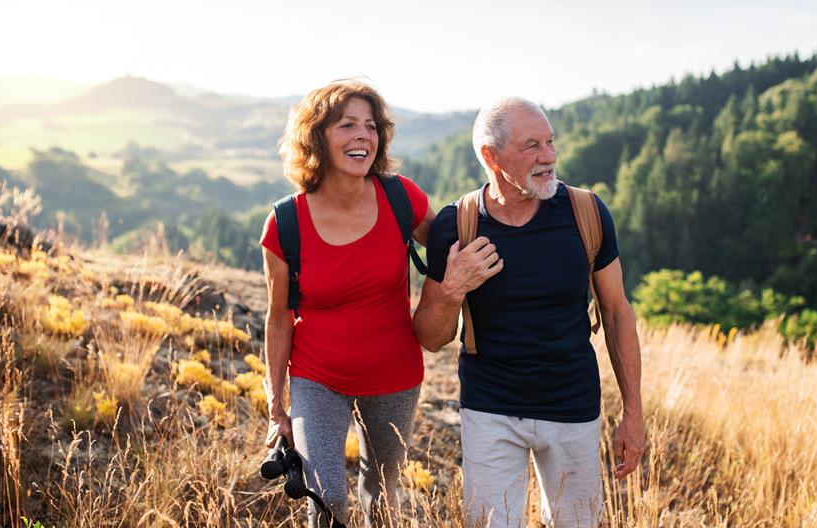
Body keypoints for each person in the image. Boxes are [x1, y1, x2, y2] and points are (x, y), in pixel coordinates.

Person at [413, 97, 645, 527]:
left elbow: (616, 313)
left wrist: (633, 412)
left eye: (551, 142)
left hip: (573, 406)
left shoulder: (587, 213)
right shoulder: (457, 224)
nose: (549, 157)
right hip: (490, 409)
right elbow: (429, 336)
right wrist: (452, 290)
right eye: (532, 146)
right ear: (491, 156)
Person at [260, 80, 435, 527]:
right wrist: (276, 402)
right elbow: (279, 319)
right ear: (317, 137)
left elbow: (454, 249)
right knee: (327, 497)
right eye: (348, 125)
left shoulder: (401, 198)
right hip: (317, 377)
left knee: (381, 494)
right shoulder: (285, 223)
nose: (363, 135)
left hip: (394, 375)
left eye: (371, 126)